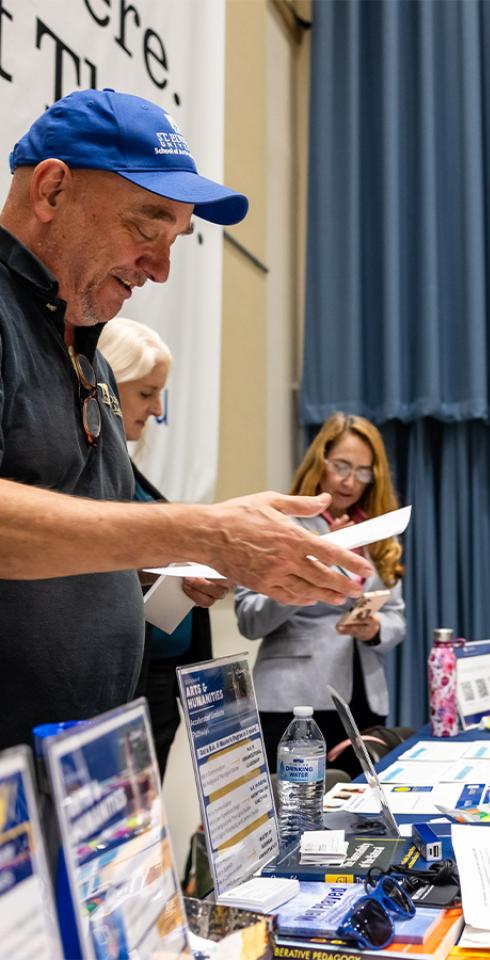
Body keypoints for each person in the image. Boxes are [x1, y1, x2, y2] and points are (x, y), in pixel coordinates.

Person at [0, 89, 371, 752]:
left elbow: (78, 546)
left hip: (89, 766)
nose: (162, 270)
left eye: (176, 240)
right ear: (53, 190)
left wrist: (186, 558)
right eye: (147, 227)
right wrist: (201, 528)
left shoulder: (91, 358)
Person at [235, 413, 406, 773]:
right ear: (319, 462)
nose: (350, 481)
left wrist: (375, 629)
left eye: (363, 471)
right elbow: (250, 619)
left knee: (360, 816)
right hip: (293, 700)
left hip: (364, 699)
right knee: (294, 816)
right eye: (342, 466)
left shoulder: (379, 532)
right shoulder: (279, 524)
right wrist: (313, 562)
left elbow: (397, 618)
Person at [98, 317, 228, 777]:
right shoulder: (85, 476)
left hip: (162, 677)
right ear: (108, 384)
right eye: (146, 393)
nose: (156, 409)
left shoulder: (130, 474)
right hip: (120, 684)